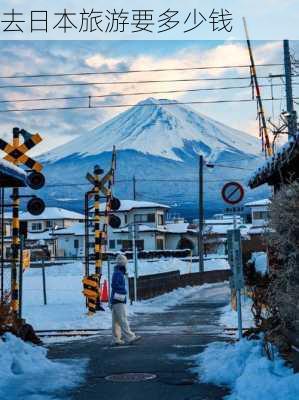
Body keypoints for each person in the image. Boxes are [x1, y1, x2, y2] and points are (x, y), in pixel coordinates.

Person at [110, 254, 141, 345]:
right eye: (125, 263)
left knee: (116, 320)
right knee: (123, 319)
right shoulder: (118, 273)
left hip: (115, 299)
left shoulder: (117, 272)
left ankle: (116, 339)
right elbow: (115, 285)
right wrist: (123, 291)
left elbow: (114, 285)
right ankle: (130, 337)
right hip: (119, 298)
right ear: (123, 263)